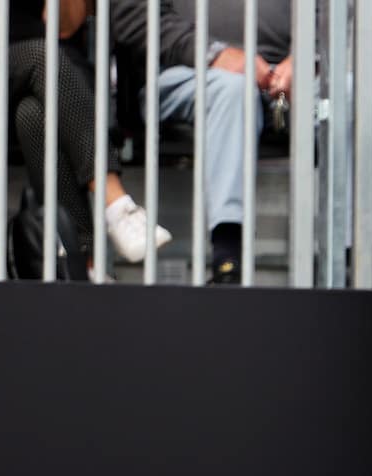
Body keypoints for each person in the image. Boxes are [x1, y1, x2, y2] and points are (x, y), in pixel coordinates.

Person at [0, 0, 168, 270]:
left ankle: (79, 261)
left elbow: (64, 26)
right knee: (43, 59)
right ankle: (117, 205)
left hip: (34, 68)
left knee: (34, 115)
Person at [108, 0, 292, 284]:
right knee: (233, 90)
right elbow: (134, 15)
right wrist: (213, 54)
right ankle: (228, 259)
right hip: (187, 69)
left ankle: (352, 263)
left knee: (355, 100)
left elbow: (329, 12)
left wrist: (308, 57)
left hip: (288, 74)